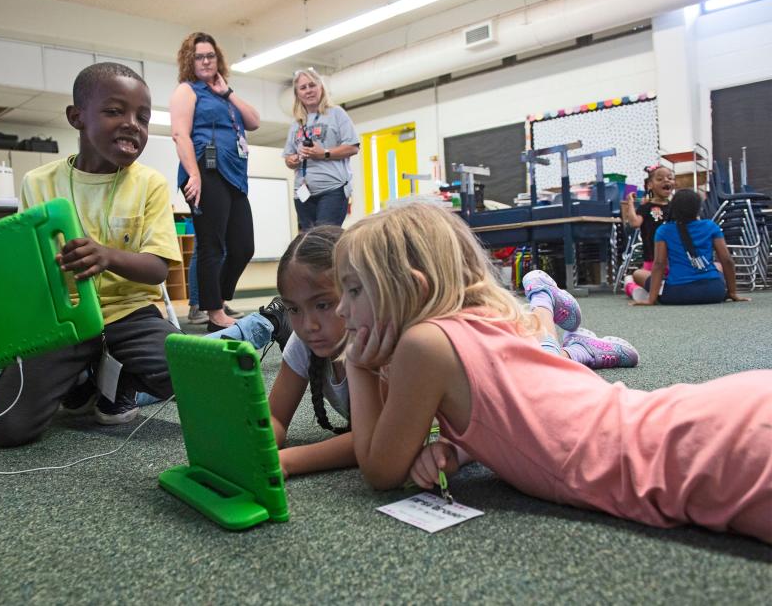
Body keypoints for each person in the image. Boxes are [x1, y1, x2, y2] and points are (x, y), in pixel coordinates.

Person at [335, 202, 771, 542]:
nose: (341, 309)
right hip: (685, 417)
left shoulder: (424, 345)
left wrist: (357, 364)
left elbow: (380, 471)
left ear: (414, 286)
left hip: (682, 455)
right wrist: (457, 447)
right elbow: (507, 410)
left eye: (353, 290)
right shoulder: (487, 318)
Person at [270, 225, 636, 479]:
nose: (308, 325)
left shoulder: (395, 347)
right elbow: (275, 419)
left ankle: (544, 302)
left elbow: (376, 444)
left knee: (546, 358)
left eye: (322, 304)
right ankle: (558, 325)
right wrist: (257, 445)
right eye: (294, 309)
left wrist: (287, 461)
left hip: (511, 365)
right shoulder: (306, 344)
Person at [170, 32, 259, 332]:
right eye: (199, 56)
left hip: (234, 175)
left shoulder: (223, 94)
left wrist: (227, 92)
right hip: (205, 173)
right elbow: (180, 134)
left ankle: (217, 300)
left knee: (243, 246)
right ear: (190, 61)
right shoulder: (187, 91)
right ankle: (215, 313)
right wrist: (194, 175)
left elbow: (254, 121)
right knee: (212, 246)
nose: (206, 61)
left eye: (210, 55)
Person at [632, 188, 747, 306]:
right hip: (714, 292)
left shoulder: (664, 230)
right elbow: (727, 260)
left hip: (678, 294)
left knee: (638, 274)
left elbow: (659, 264)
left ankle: (643, 292)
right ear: (699, 208)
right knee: (717, 266)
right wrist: (732, 292)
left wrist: (651, 300)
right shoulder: (710, 226)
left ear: (673, 208)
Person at [283, 68, 360, 230]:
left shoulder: (336, 114)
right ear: (298, 94)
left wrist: (324, 153)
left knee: (323, 238)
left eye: (312, 85)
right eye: (303, 88)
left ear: (321, 88)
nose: (308, 91)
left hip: (332, 189)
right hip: (303, 192)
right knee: (308, 242)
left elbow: (353, 147)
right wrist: (293, 159)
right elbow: (288, 158)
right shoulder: (296, 123)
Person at [621, 165, 674, 300]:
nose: (666, 181)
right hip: (652, 260)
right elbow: (634, 223)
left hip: (673, 261)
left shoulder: (674, 207)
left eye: (670, 178)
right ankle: (633, 287)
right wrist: (631, 204)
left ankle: (636, 285)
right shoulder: (646, 207)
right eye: (660, 179)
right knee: (643, 280)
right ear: (650, 185)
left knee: (661, 285)